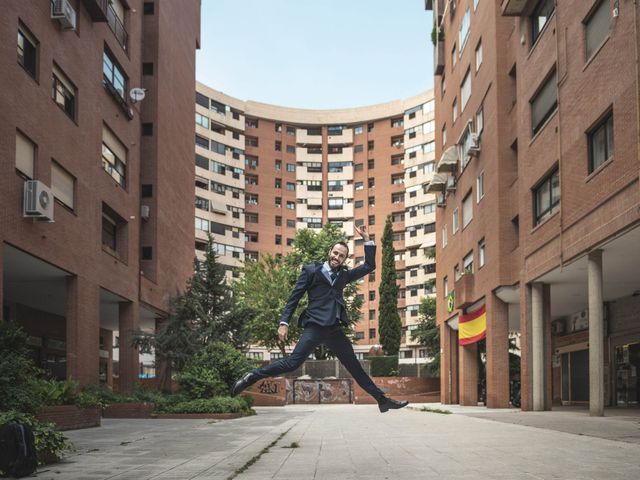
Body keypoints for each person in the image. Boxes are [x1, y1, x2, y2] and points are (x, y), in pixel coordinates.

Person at [231, 225, 408, 413]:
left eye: (341, 256)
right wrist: (283, 322)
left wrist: (367, 240)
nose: (337, 257)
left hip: (334, 331)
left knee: (355, 367)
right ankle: (251, 376)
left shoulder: (345, 275)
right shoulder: (311, 270)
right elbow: (294, 297)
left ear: (344, 259)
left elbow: (369, 266)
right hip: (314, 327)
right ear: (329, 252)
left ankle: (382, 400)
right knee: (292, 363)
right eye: (335, 253)